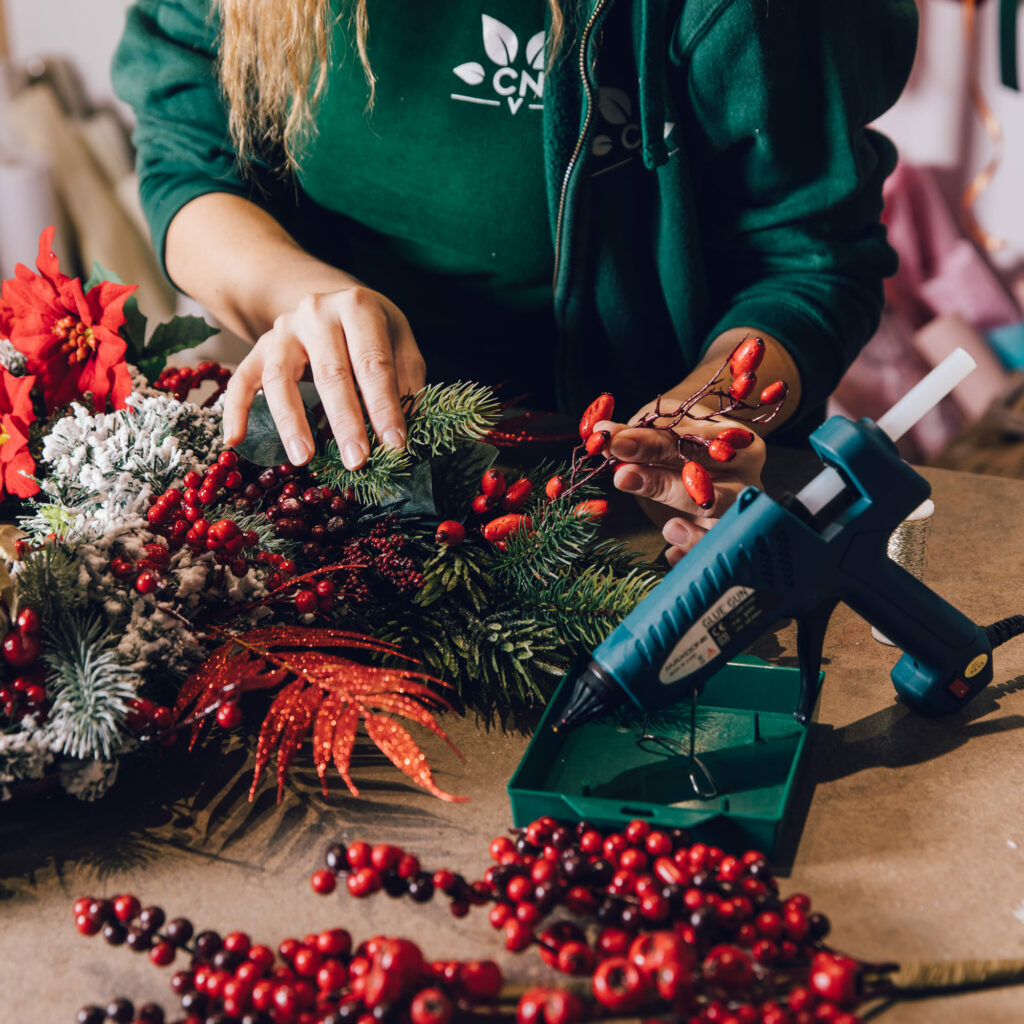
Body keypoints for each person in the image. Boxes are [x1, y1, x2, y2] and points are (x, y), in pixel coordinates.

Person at [113, 0, 918, 562]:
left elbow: (810, 262)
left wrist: (706, 419)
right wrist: (296, 295)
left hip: (632, 526)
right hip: (340, 501)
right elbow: (185, 164)